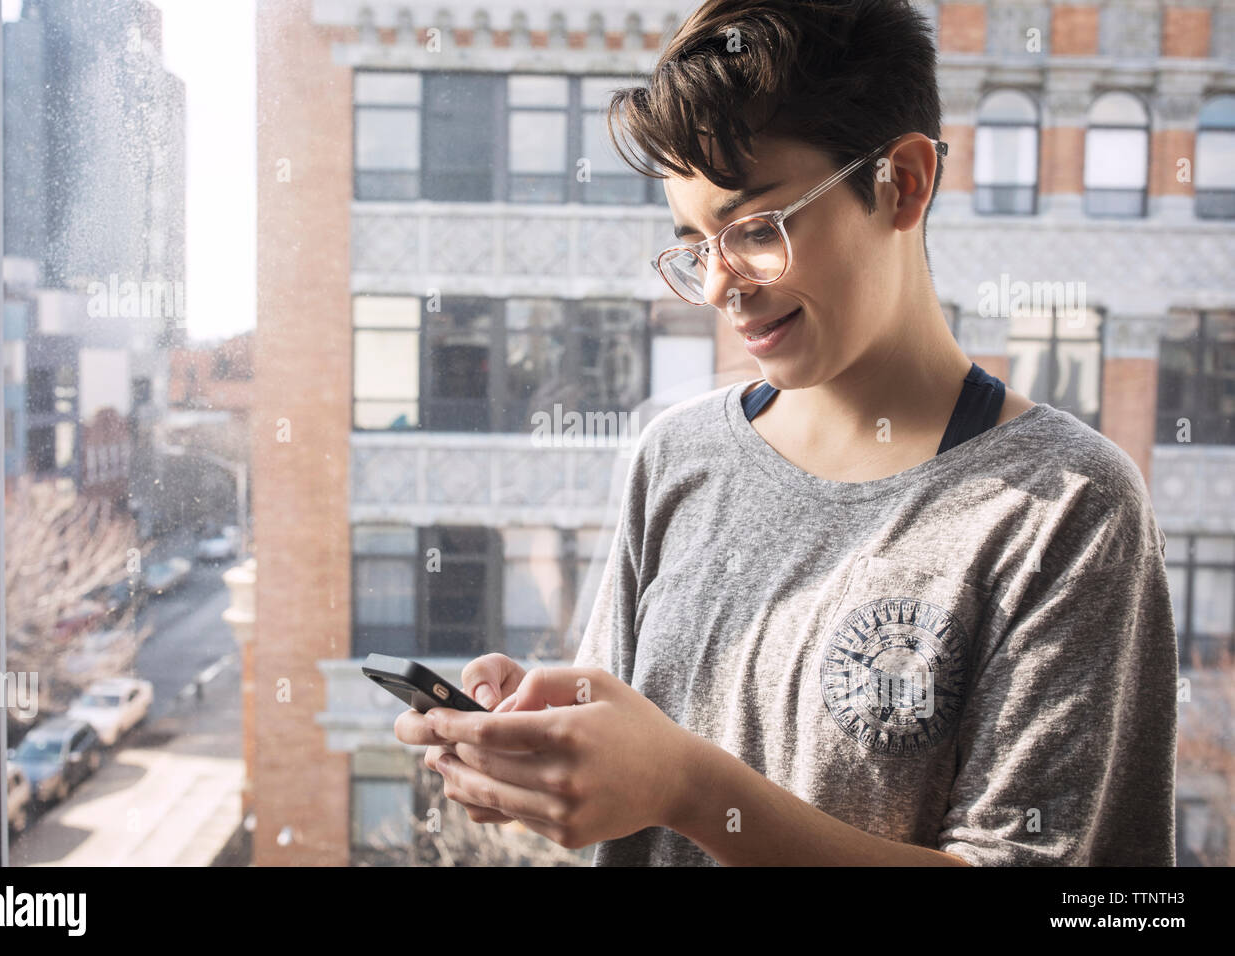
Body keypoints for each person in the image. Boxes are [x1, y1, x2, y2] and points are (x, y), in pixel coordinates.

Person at [394, 0, 1178, 866]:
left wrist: (686, 789)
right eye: (695, 243)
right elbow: (631, 750)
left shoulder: (1065, 507)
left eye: (758, 229)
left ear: (902, 183)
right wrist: (544, 744)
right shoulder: (676, 455)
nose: (721, 285)